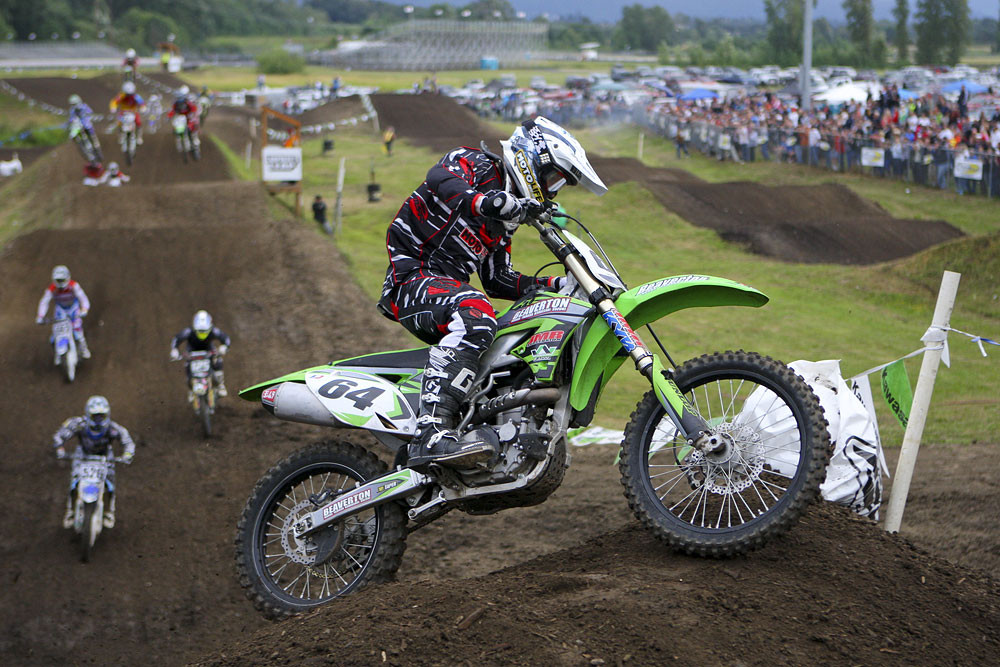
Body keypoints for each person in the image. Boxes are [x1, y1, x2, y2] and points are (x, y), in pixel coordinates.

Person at [377, 117, 606, 468]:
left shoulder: (503, 222)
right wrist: (486, 202)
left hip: (445, 287)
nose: (554, 190)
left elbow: (498, 279)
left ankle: (476, 423)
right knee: (476, 314)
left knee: (511, 334)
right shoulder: (474, 162)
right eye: (554, 178)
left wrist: (555, 285)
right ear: (532, 159)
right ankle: (430, 433)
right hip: (410, 277)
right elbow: (439, 179)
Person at [52, 395, 134, 529]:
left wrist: (127, 455)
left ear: (107, 414)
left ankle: (109, 512)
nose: (98, 419)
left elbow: (127, 440)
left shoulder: (112, 428)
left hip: (105, 457)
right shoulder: (79, 424)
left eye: (102, 415)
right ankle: (70, 511)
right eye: (95, 415)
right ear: (88, 414)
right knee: (74, 483)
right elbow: (60, 434)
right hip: (83, 455)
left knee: (110, 483)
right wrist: (60, 448)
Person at [170, 310, 231, 399]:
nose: (202, 333)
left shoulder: (213, 331)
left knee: (217, 361)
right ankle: (191, 390)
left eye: (204, 331)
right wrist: (174, 350)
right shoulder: (189, 331)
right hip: (192, 351)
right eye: (200, 331)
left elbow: (225, 337)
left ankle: (220, 385)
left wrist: (224, 346)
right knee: (188, 366)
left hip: (208, 349)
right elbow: (177, 339)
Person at [36, 265, 91, 359]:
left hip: (73, 308)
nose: (61, 283)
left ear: (67, 278)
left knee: (77, 330)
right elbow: (44, 302)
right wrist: (40, 316)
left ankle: (83, 348)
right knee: (56, 334)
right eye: (58, 280)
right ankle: (58, 353)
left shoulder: (73, 285)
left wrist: (84, 308)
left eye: (62, 280)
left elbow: (82, 297)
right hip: (61, 310)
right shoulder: (52, 289)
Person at [67, 94, 102, 160]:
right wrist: (71, 122)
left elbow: (91, 113)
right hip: (78, 126)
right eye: (72, 104)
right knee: (73, 135)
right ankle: (81, 146)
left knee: (92, 136)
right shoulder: (72, 110)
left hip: (87, 125)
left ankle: (97, 150)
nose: (74, 105)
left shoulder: (84, 107)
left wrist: (88, 117)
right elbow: (71, 118)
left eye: (74, 103)